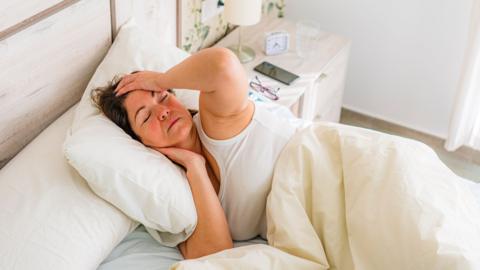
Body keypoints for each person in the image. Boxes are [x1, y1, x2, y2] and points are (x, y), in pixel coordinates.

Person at [91, 47, 299, 259]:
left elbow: (223, 66)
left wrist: (160, 80)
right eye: (145, 117)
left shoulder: (216, 122)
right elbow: (215, 255)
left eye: (162, 97)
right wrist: (195, 166)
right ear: (139, 142)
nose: (162, 112)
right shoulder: (172, 190)